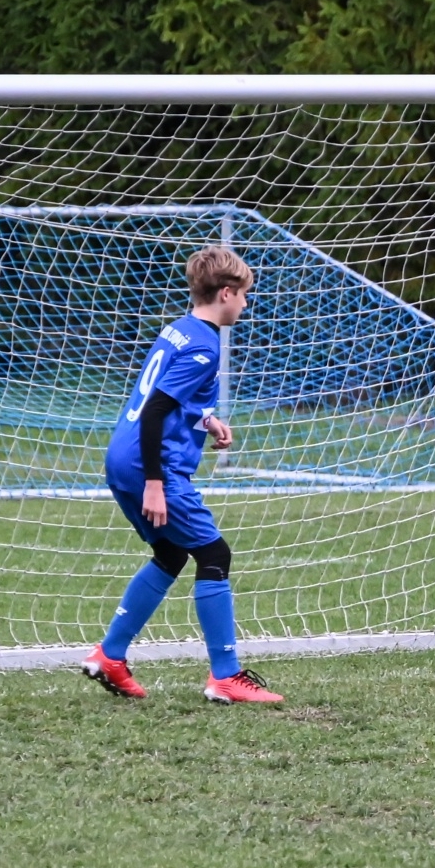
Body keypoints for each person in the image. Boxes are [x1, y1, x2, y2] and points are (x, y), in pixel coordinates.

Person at [83, 245, 282, 704]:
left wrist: (205, 419)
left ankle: (110, 655)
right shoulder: (204, 346)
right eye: (244, 295)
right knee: (214, 554)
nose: (246, 304)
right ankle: (226, 676)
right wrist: (155, 484)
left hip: (123, 455)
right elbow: (155, 410)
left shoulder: (179, 329)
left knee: (172, 553)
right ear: (226, 293)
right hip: (149, 464)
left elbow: (167, 395)